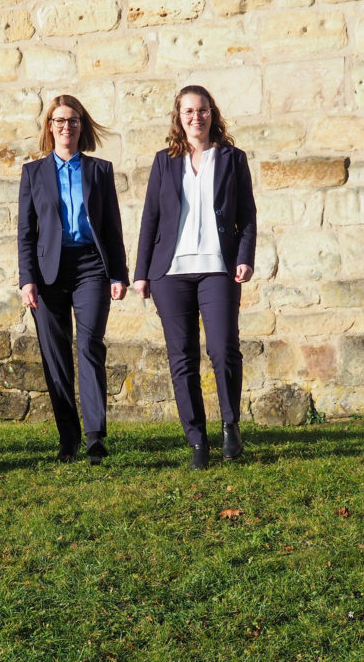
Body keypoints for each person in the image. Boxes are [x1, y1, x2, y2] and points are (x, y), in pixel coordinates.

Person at [133, 85, 257, 470]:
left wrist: (245, 257)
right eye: (188, 111)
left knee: (223, 350)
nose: (195, 117)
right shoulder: (164, 161)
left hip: (218, 268)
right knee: (181, 357)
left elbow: (248, 215)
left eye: (202, 110)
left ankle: (230, 427)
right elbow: (151, 217)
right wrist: (141, 273)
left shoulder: (233, 159)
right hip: (170, 272)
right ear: (179, 116)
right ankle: (197, 441)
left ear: (212, 114)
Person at [18, 95, 129, 465]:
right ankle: (69, 437)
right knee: (56, 354)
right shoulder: (33, 173)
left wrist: (119, 273)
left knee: (89, 346)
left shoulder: (99, 171)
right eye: (60, 120)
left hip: (91, 268)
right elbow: (26, 233)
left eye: (74, 120)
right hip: (48, 271)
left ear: (83, 125)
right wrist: (26, 279)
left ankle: (96, 436)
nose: (67, 127)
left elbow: (112, 226)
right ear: (49, 127)